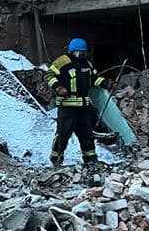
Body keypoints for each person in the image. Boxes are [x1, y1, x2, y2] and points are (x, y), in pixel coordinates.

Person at [45, 38, 107, 168]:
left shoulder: (87, 64)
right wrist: (58, 87)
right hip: (67, 107)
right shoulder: (62, 62)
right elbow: (49, 75)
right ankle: (56, 159)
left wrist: (104, 83)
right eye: (79, 53)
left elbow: (94, 79)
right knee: (63, 134)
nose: (82, 55)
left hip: (83, 107)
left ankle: (90, 160)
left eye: (84, 53)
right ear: (72, 51)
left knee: (87, 135)